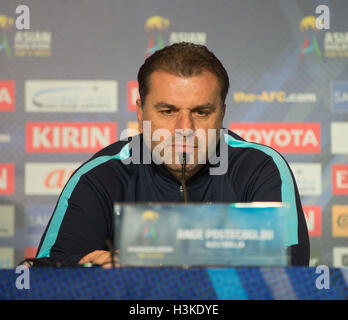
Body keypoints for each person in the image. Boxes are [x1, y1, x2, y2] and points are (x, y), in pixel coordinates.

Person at [35, 42, 309, 267]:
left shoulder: (259, 167)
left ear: (222, 113)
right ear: (141, 112)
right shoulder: (101, 175)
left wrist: (138, 267)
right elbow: (45, 274)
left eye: (201, 112)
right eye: (167, 111)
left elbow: (286, 275)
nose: (185, 129)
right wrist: (88, 269)